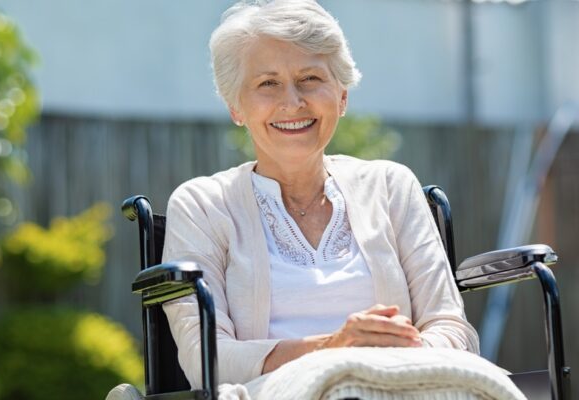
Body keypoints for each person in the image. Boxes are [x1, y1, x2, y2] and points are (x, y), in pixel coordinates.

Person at [162, 0, 479, 389]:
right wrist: (334, 349)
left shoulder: (390, 186)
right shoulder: (202, 206)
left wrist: (389, 369)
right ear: (236, 106)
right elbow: (204, 359)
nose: (292, 101)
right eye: (268, 83)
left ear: (342, 96)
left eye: (310, 78)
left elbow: (451, 327)